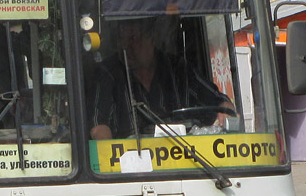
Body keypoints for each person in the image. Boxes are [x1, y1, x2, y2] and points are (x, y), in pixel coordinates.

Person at [88, 15, 230, 140]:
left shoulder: (179, 70)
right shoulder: (107, 74)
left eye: (133, 39)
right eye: (121, 40)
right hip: (131, 165)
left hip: (189, 161)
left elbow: (222, 105)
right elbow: (98, 128)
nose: (125, 47)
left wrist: (225, 113)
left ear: (152, 39)